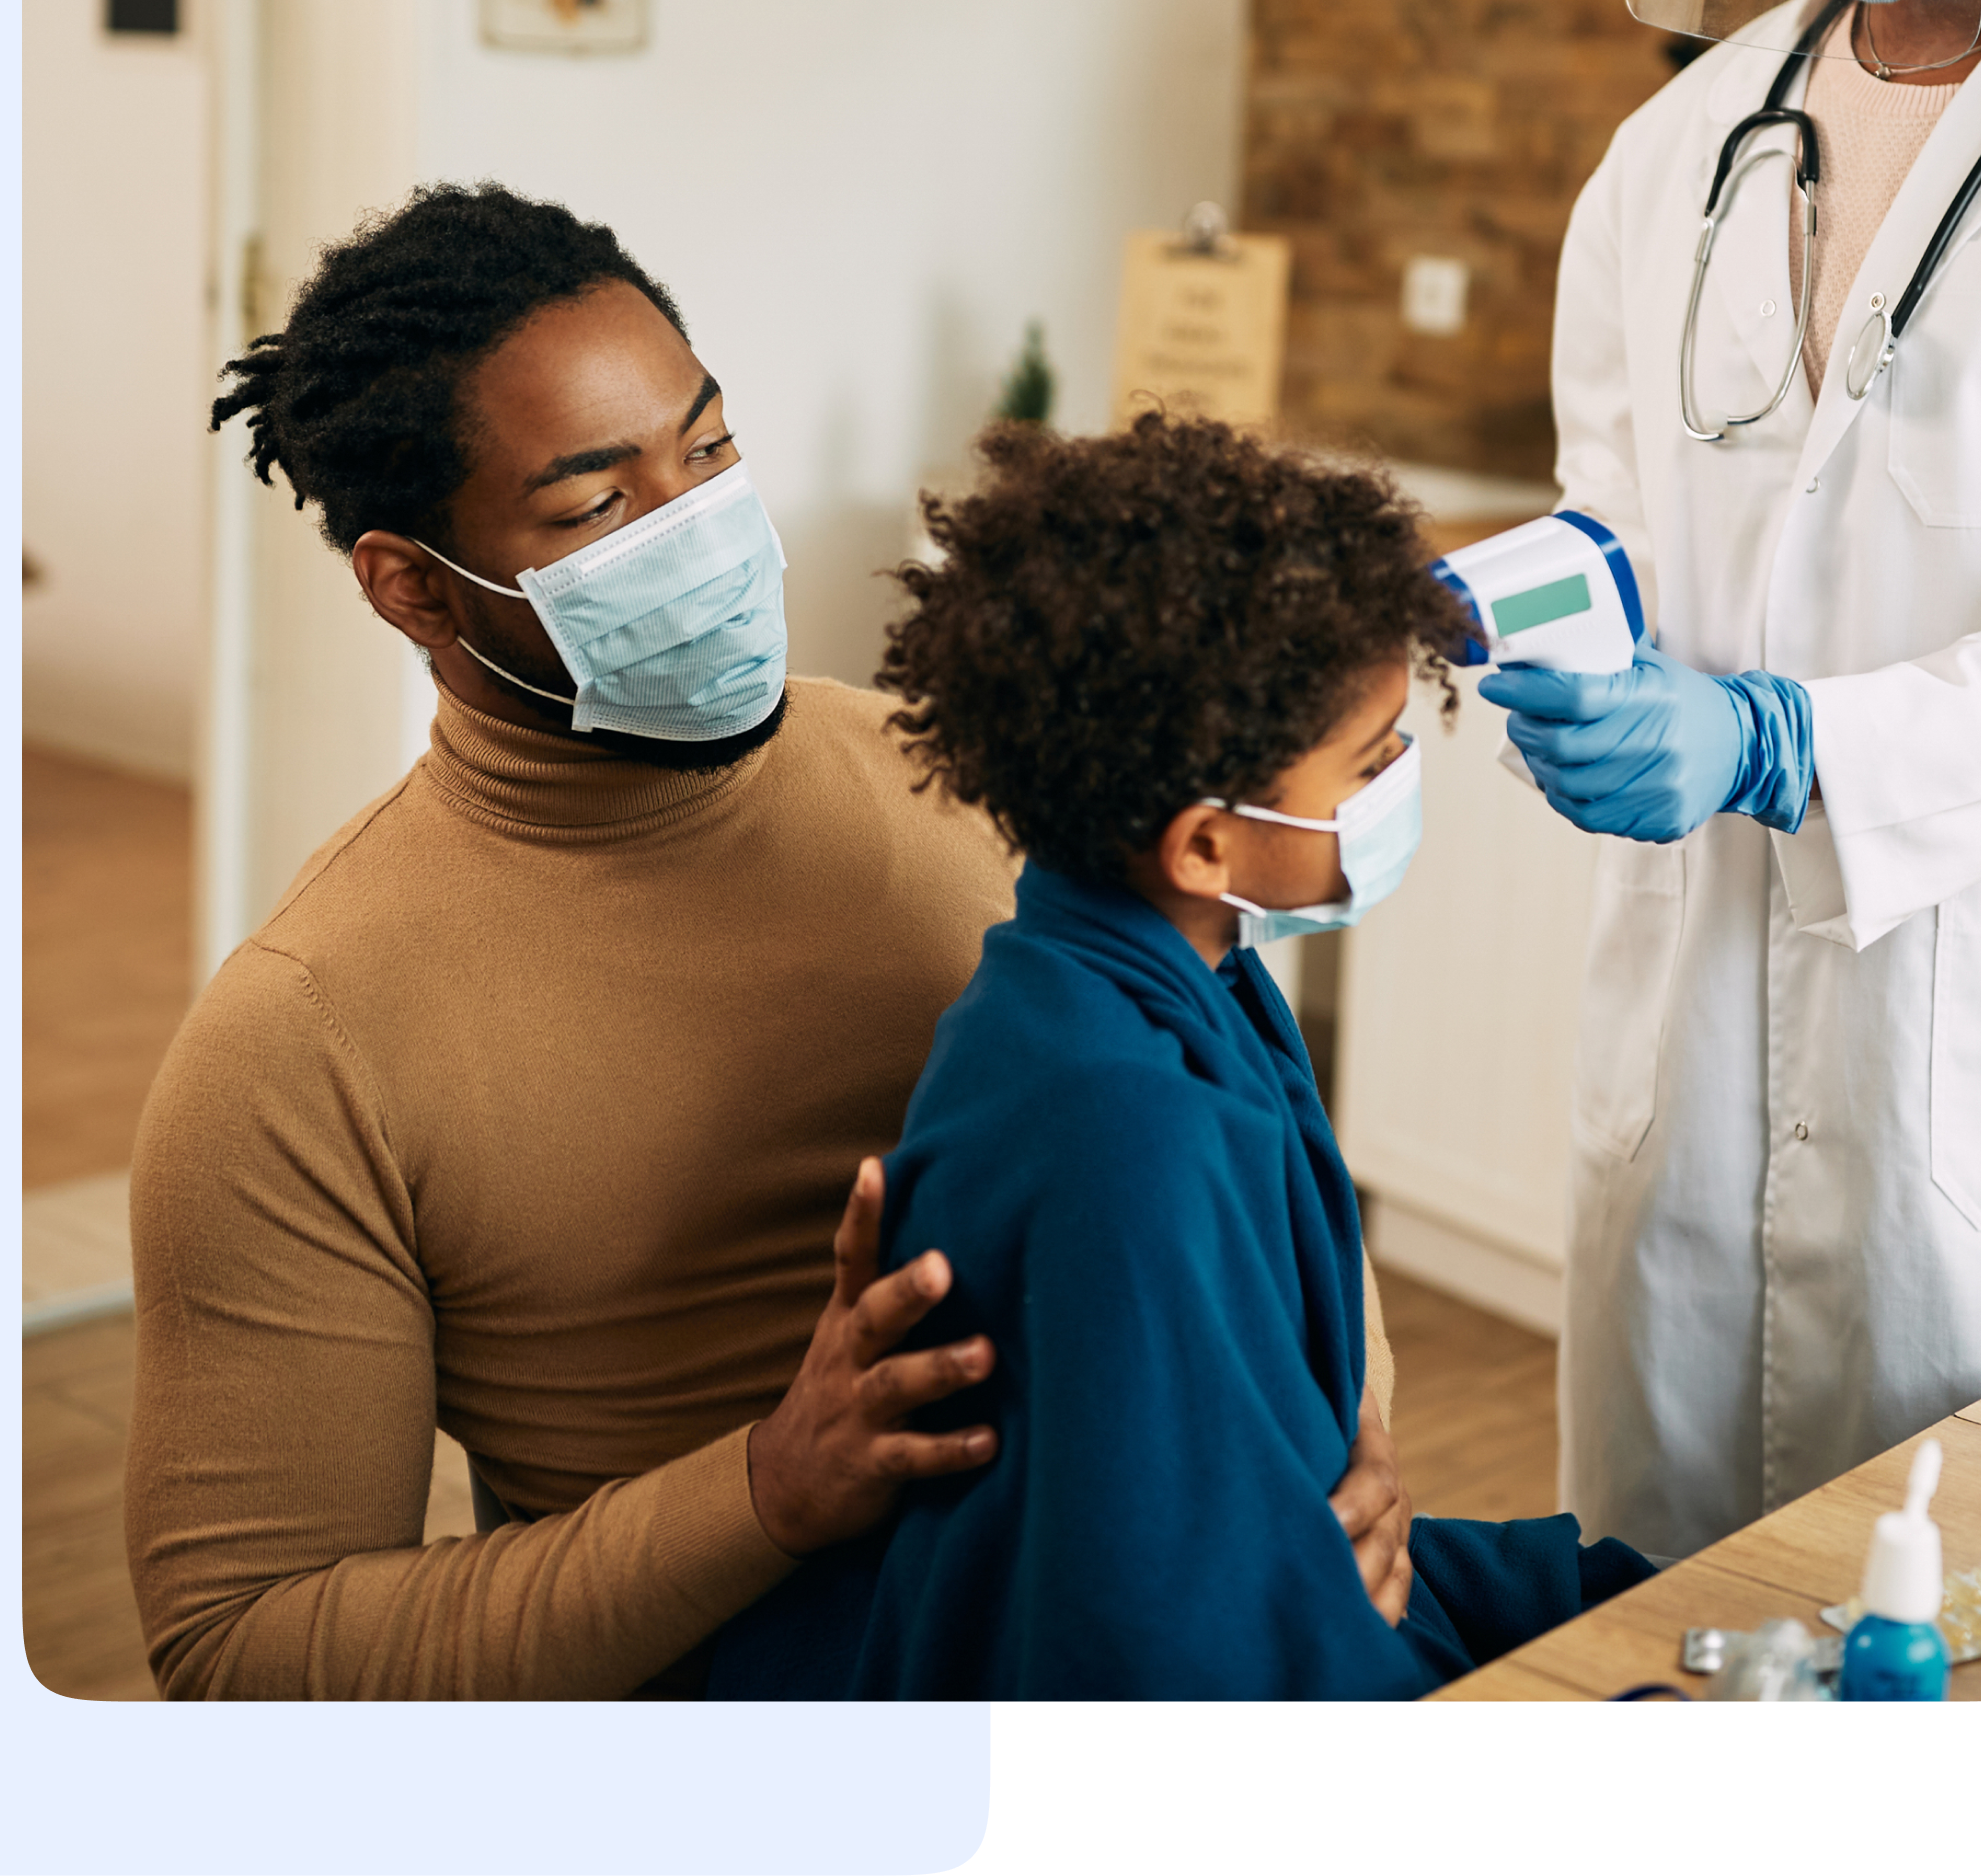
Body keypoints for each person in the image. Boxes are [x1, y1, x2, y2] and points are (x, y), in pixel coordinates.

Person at [125, 184, 1408, 1696]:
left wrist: (1346, 1435)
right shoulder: (303, 1039)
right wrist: (765, 1489)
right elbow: (239, 1651)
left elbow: (1234, 1120)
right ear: (413, 585)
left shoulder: (967, 773)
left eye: (712, 449)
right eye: (599, 506)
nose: (701, 531)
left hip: (1183, 1597)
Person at [1480, 0, 1981, 1558]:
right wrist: (1541, 610)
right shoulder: (1673, 153)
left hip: (1980, 1076)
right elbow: (1619, 514)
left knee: (1948, 1591)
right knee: (1645, 1585)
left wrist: (1770, 739)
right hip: (1684, 1071)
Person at [707, 415, 1653, 1700]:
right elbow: (1166, 1639)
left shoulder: (1161, 980)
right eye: (1369, 762)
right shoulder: (1122, 1129)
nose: (1398, 781)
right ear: (1206, 847)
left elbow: (1271, 1466)